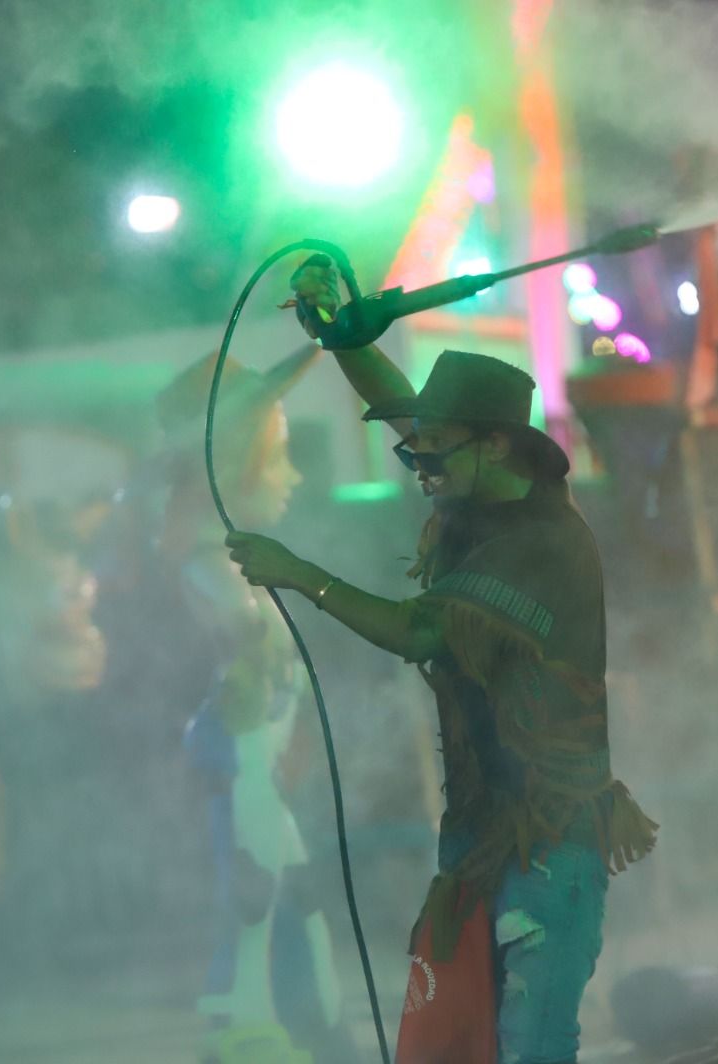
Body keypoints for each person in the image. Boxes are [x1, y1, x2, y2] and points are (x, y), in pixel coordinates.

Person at [224, 256, 658, 1063]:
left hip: (549, 838)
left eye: (434, 457)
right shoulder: (470, 486)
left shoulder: (540, 542)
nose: (419, 470)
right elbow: (400, 407)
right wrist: (342, 334)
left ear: (497, 447)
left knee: (531, 1045)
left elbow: (419, 632)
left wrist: (296, 572)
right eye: (411, 456)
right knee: (466, 1047)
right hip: (478, 831)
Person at [150, 344, 345, 1063]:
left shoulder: (230, 558)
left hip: (258, 747)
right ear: (231, 465)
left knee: (285, 885)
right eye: (277, 458)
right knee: (258, 888)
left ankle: (297, 1016)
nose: (291, 477)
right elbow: (238, 648)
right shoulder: (206, 561)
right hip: (240, 749)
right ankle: (247, 1026)